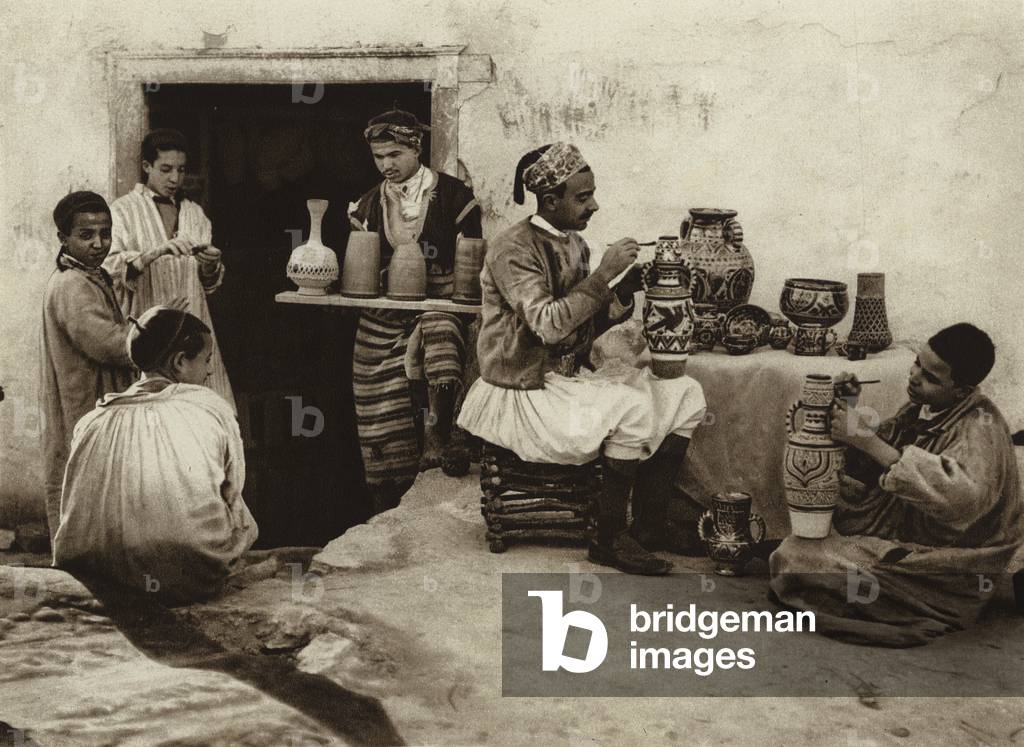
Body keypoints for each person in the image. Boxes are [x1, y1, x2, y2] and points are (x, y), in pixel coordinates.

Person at [456, 142, 707, 575]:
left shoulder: (575, 243)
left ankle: (650, 525)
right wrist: (604, 275)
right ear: (550, 200)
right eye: (583, 197)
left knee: (685, 393)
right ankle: (608, 538)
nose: (594, 205)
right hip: (523, 391)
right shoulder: (511, 248)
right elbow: (549, 326)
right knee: (630, 408)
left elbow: (580, 329)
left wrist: (624, 287)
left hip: (565, 382)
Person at [770, 324, 1023, 646]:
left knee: (798, 560)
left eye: (931, 377)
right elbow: (876, 458)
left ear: (962, 391)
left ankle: (905, 601)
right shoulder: (926, 407)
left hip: (948, 564)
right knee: (801, 540)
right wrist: (848, 408)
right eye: (917, 363)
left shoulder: (981, 427)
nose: (915, 377)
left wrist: (866, 439)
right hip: (906, 534)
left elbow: (961, 502)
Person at [53, 306, 258, 603]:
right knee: (242, 518)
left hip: (93, 569)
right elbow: (232, 489)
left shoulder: (92, 420)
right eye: (206, 360)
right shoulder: (208, 406)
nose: (210, 371)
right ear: (179, 362)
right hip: (187, 573)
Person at [347, 107, 483, 507]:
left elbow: (471, 261)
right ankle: (388, 491)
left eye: (395, 154)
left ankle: (438, 436)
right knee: (376, 395)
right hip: (384, 314)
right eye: (378, 157)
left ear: (416, 149)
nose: (386, 164)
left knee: (440, 330)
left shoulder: (455, 197)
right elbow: (359, 270)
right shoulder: (367, 205)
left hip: (439, 304)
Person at [105, 128, 235, 411]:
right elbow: (110, 269)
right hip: (150, 329)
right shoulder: (123, 211)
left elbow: (208, 285)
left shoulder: (195, 214)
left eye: (181, 169)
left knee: (199, 410)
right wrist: (154, 253)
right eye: (166, 169)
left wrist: (210, 265)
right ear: (146, 166)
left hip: (193, 327)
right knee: (153, 410)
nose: (175, 178)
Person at [39, 191, 136, 543]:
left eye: (105, 233)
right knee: (84, 489)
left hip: (96, 403)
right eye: (86, 235)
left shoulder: (91, 275)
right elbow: (108, 343)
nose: (99, 243)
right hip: (82, 405)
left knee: (99, 491)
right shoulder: (72, 284)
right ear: (63, 238)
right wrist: (154, 331)